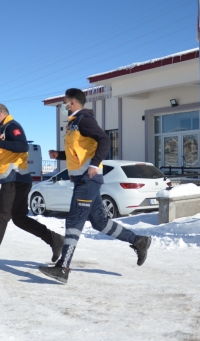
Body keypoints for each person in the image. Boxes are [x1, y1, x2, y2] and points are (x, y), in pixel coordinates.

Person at [37, 88, 152, 284]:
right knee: (100, 223)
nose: (63, 106)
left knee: (74, 221)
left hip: (87, 179)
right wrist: (60, 155)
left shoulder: (83, 120)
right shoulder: (73, 123)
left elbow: (105, 140)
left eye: (64, 102)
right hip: (84, 179)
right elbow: (81, 151)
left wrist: (93, 164)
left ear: (72, 103)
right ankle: (139, 241)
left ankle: (63, 268)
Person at [0, 104, 64, 272]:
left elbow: (22, 146)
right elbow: (11, 151)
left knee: (0, 217)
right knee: (18, 218)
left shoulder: (12, 126)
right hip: (18, 179)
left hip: (15, 179)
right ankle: (55, 240)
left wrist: (1, 144)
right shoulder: (4, 128)